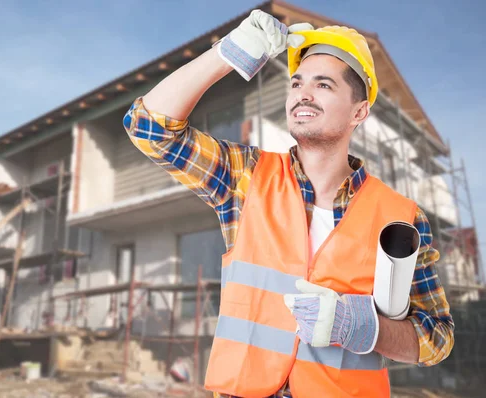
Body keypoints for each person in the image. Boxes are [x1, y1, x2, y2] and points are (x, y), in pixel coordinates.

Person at [123, 9, 454, 398]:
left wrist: (361, 326)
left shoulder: (403, 218)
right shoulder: (245, 177)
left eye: (324, 85)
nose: (302, 94)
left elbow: (437, 338)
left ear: (359, 112)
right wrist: (227, 53)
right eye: (296, 83)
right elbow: (147, 128)